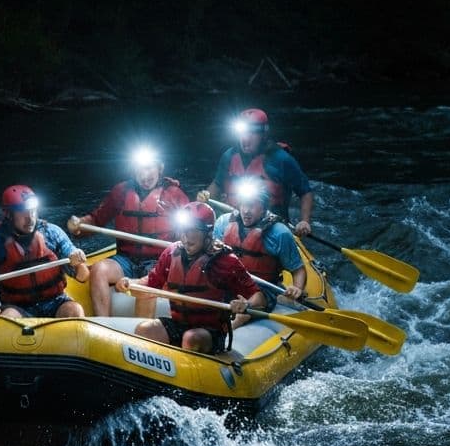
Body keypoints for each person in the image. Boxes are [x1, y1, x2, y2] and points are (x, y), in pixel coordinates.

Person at [114, 201, 264, 353]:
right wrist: (129, 283)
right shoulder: (171, 253)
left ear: (208, 233)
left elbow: (258, 297)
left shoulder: (226, 261)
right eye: (183, 229)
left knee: (191, 338)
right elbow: (150, 284)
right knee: (144, 330)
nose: (185, 237)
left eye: (192, 230)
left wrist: (247, 305)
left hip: (211, 331)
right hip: (179, 324)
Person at [68, 145, 189, 317]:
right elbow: (96, 220)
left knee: (151, 281)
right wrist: (79, 224)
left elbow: (190, 232)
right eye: (140, 169)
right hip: (125, 260)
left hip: (158, 261)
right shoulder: (121, 192)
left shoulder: (174, 195)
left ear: (159, 168)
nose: (145, 175)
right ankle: (104, 326)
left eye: (149, 168)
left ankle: (144, 333)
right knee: (99, 270)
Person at [0, 184, 89, 319]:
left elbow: (83, 276)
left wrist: (78, 263)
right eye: (23, 213)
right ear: (9, 215)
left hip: (55, 302)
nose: (30, 218)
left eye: (32, 211)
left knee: (74, 310)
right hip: (17, 308)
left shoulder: (52, 233)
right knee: (7, 318)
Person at [198, 107, 314, 236]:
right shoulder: (229, 156)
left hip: (271, 227)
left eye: (252, 133)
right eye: (242, 133)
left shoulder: (282, 160)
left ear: (263, 135)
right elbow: (217, 184)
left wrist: (304, 221)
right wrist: (202, 201)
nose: (245, 138)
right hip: (234, 222)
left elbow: (305, 192)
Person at [212, 179, 308, 329]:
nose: (246, 210)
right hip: (228, 282)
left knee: (253, 300)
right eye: (243, 204)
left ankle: (228, 329)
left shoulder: (279, 233)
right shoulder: (223, 223)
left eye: (252, 205)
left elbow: (298, 270)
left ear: (263, 208)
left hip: (261, 289)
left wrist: (297, 289)